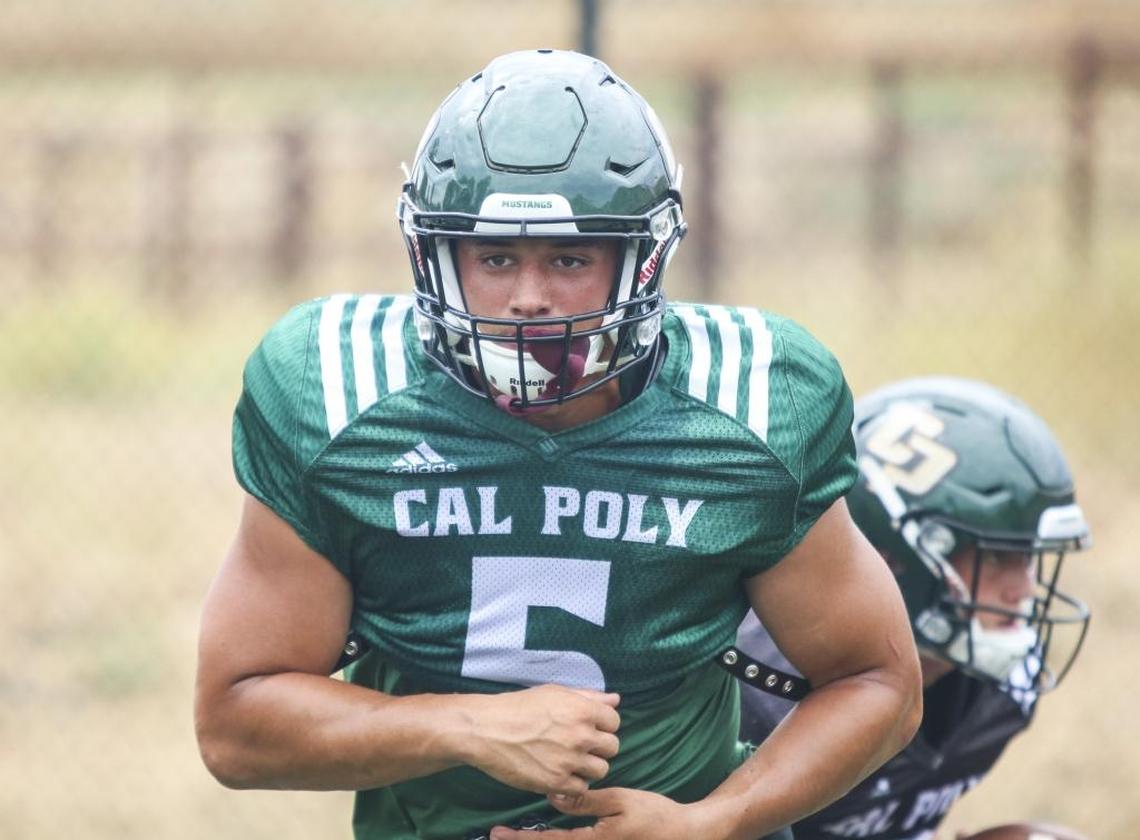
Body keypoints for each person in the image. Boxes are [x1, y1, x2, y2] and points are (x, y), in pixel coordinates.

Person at [194, 49, 922, 840]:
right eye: (495, 257)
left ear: (642, 260)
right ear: (435, 255)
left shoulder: (751, 406)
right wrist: (466, 726)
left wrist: (710, 822)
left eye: (569, 258)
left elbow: (877, 683)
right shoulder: (336, 396)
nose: (528, 298)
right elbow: (236, 726)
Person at [736, 376, 1092, 840]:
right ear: (897, 558)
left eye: (1027, 558)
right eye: (997, 558)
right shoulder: (761, 693)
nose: (1024, 589)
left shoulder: (1004, 687)